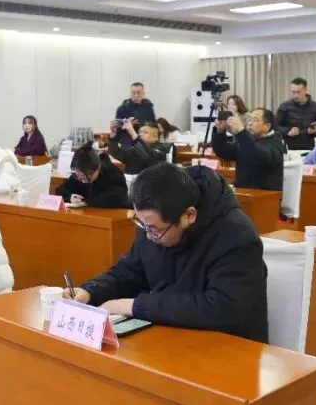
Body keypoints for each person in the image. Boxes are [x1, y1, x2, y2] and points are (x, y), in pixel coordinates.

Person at [63, 163, 268, 343]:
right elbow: (130, 270)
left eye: (155, 229)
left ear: (189, 215)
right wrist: (91, 291)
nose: (148, 235)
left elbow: (223, 308)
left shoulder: (237, 236)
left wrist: (135, 306)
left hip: (229, 347)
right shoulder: (153, 221)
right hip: (172, 335)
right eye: (142, 225)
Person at [210, 108, 285, 191]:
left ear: (267, 126)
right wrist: (220, 131)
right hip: (241, 190)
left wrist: (240, 131)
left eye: (255, 120)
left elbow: (259, 155)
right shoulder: (247, 140)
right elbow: (224, 151)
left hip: (265, 193)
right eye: (249, 120)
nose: (250, 123)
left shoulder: (275, 142)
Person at [55, 144, 130, 208]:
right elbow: (60, 190)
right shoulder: (79, 174)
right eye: (79, 176)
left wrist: (87, 201)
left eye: (85, 177)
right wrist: (70, 197)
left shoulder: (114, 174)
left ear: (98, 168)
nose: (82, 181)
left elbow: (120, 198)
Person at [276, 77, 316, 151]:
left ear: (305, 90)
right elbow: (275, 126)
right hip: (289, 148)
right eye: (293, 92)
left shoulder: (315, 106)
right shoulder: (284, 106)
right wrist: (288, 131)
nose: (295, 95)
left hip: (308, 147)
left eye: (298, 92)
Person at [113, 82, 157, 147]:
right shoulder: (122, 108)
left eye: (138, 93)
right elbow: (116, 127)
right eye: (133, 93)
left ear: (143, 93)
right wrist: (126, 124)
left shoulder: (148, 107)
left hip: (146, 141)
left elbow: (154, 124)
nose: (136, 95)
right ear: (130, 93)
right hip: (128, 142)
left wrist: (147, 125)